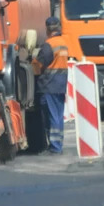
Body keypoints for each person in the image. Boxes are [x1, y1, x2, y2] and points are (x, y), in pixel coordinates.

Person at [32, 17, 70, 154]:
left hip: (49, 84)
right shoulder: (63, 43)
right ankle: (58, 143)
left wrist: (32, 63)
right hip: (60, 84)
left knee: (52, 116)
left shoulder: (49, 45)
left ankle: (55, 147)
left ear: (47, 29)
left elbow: (38, 65)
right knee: (58, 116)